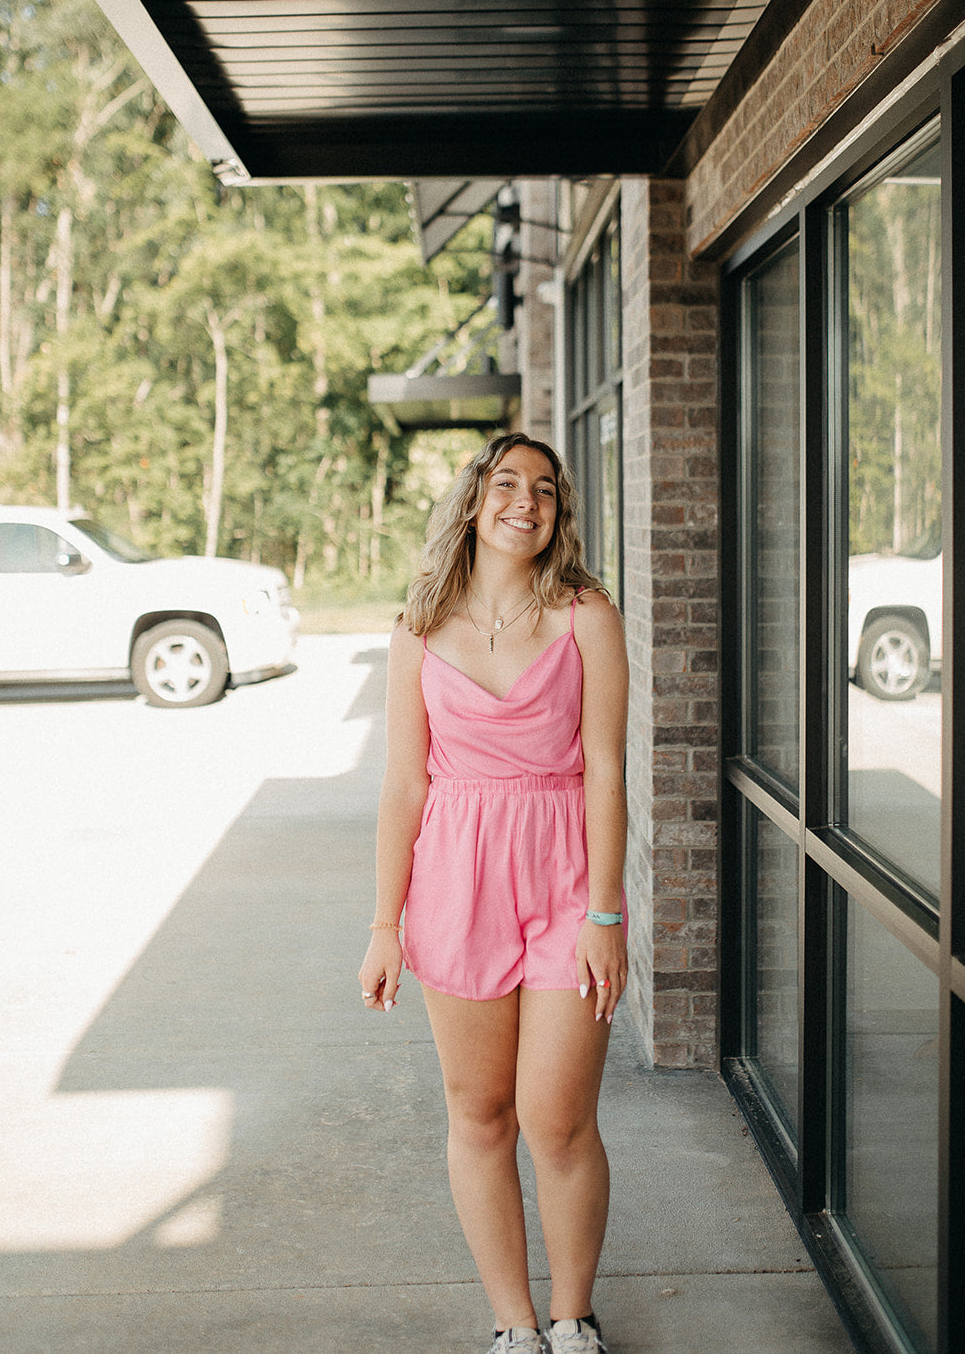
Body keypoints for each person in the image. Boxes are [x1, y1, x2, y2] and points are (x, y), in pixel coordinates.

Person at [358, 432, 629, 1354]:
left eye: (545, 490)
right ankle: (516, 1326)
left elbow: (604, 769)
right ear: (474, 501)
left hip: (562, 883)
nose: (527, 502)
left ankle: (572, 1316)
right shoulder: (417, 629)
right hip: (454, 883)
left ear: (559, 514)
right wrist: (385, 924)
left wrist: (605, 912)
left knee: (557, 1120)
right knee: (480, 1116)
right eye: (508, 484)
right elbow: (404, 785)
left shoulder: (585, 614)